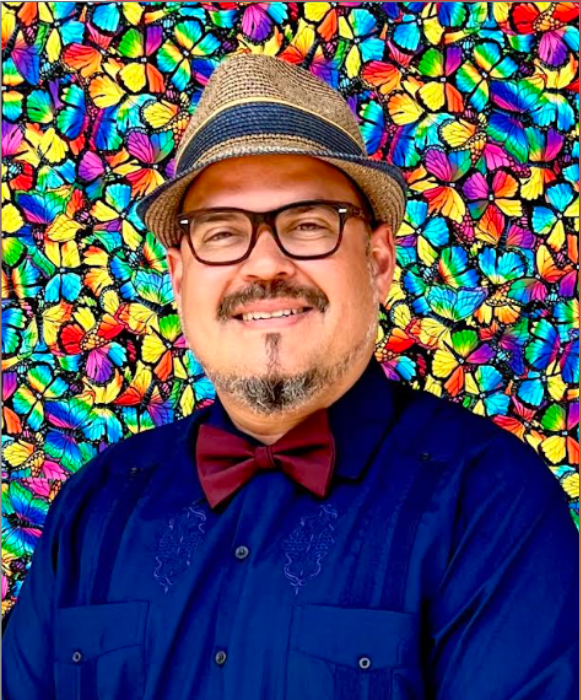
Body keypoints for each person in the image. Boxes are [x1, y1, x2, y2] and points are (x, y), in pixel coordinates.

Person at [3, 53, 578, 700]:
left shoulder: (492, 503)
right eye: (222, 232)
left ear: (378, 261)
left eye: (307, 225)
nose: (264, 265)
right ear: (179, 276)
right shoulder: (93, 508)